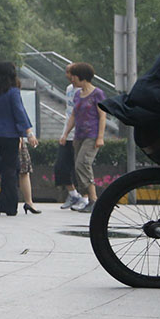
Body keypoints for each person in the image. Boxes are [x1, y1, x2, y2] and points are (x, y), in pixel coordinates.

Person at [0, 61, 38, 217]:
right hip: (10, 135)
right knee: (10, 170)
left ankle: (3, 201)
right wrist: (29, 132)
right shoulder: (13, 91)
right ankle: (8, 205)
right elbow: (19, 112)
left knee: (10, 166)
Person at [60, 61, 107, 211]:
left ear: (82, 77)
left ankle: (93, 199)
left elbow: (102, 115)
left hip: (92, 135)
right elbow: (74, 115)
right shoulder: (78, 94)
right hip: (78, 136)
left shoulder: (97, 93)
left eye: (73, 76)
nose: (71, 79)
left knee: (83, 163)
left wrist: (100, 137)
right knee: (78, 166)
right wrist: (66, 133)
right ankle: (88, 198)